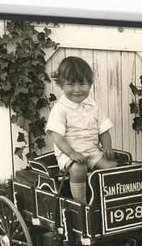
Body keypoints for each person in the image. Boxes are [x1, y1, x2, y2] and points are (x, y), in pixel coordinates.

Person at [46, 56, 117, 203]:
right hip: (69, 154)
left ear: (90, 84)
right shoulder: (60, 109)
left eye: (82, 84)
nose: (77, 90)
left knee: (112, 168)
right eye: (71, 84)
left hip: (92, 152)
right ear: (61, 85)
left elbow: (103, 130)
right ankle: (81, 204)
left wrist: (107, 147)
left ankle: (107, 201)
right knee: (79, 169)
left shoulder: (93, 106)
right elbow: (57, 136)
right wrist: (71, 153)